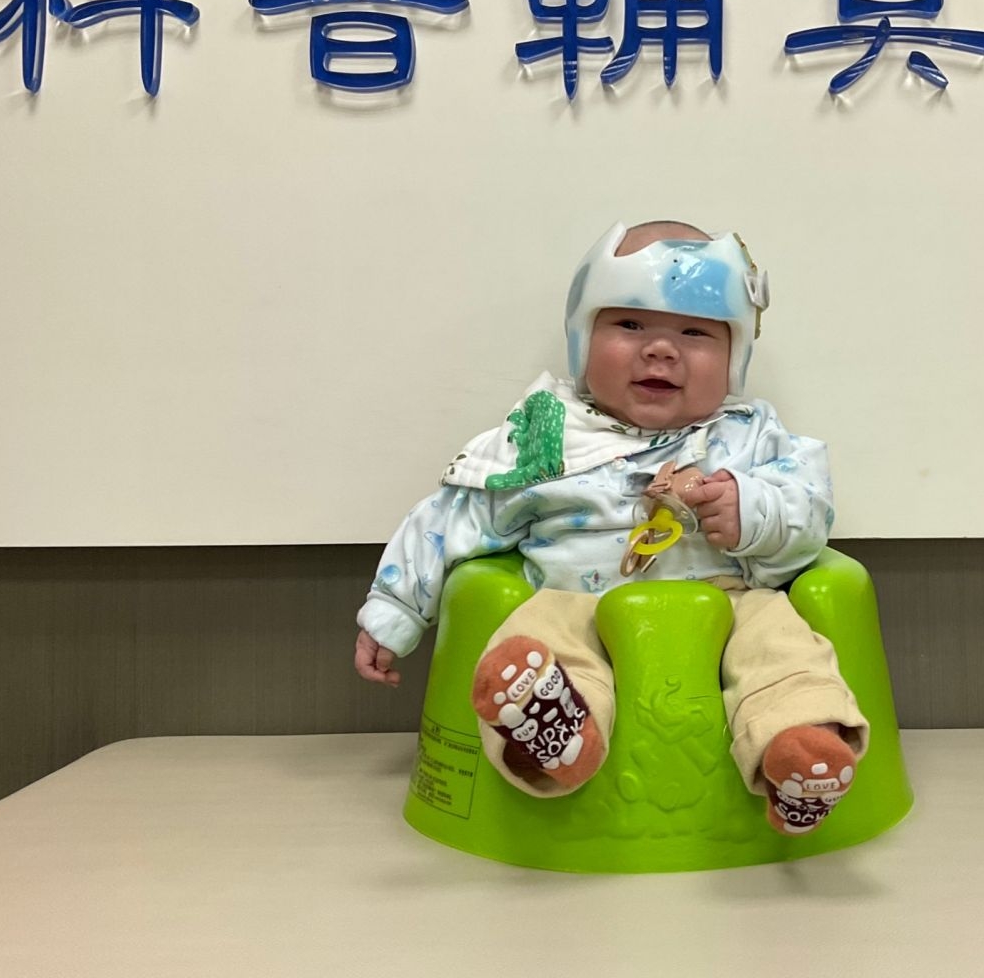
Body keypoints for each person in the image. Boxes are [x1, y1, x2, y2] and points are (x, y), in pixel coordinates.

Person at [354, 220, 867, 835]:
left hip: (729, 605)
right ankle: (553, 733)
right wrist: (396, 609)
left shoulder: (750, 436)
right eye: (629, 324)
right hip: (576, 603)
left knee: (781, 645)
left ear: (735, 357)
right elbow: (453, 517)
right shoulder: (547, 435)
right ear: (582, 338)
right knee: (538, 636)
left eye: (695, 332)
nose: (661, 349)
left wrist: (751, 510)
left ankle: (800, 751)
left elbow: (810, 513)